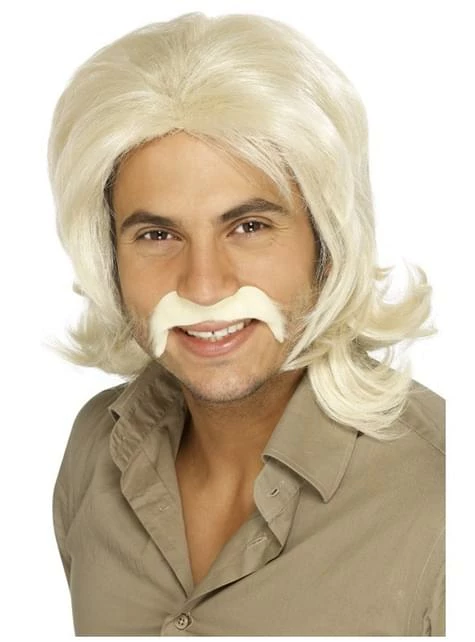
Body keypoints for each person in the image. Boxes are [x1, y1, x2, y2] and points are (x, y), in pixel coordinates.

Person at [49, 12, 445, 636]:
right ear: (109, 260)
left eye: (249, 226)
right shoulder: (96, 449)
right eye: (157, 235)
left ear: (327, 245)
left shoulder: (443, 496)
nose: (204, 286)